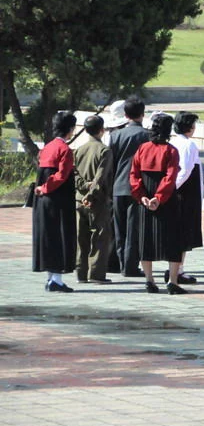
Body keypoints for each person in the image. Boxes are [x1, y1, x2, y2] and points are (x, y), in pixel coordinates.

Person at [130, 114, 186, 294]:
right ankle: (173, 280)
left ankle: (149, 280)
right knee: (173, 239)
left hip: (145, 196)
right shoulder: (171, 151)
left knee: (145, 238)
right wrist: (159, 197)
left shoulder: (142, 148)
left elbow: (134, 174)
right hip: (166, 199)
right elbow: (170, 177)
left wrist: (142, 196)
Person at [33, 111, 78, 292]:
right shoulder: (65, 150)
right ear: (70, 129)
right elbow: (61, 176)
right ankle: (57, 280)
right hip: (59, 199)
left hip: (43, 200)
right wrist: (46, 187)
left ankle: (51, 278)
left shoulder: (47, 147)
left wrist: (42, 189)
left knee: (48, 237)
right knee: (60, 236)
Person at [109, 97, 149, 277]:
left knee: (120, 228)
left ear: (125, 115)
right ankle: (130, 266)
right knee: (134, 229)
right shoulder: (146, 135)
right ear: (142, 114)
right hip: (138, 187)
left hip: (118, 185)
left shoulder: (115, 135)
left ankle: (120, 262)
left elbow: (112, 163)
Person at [74, 115, 114, 285]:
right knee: (100, 236)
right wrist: (91, 194)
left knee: (80, 237)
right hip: (97, 200)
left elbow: (74, 174)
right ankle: (96, 273)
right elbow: (101, 177)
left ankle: (80, 272)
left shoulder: (78, 150)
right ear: (101, 130)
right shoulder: (104, 150)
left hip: (78, 199)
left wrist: (83, 187)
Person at [169, 112, 202, 285]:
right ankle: (178, 269)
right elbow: (186, 170)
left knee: (177, 232)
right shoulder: (188, 144)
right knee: (184, 232)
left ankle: (176, 267)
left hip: (177, 190)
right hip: (185, 193)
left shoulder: (173, 142)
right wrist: (174, 188)